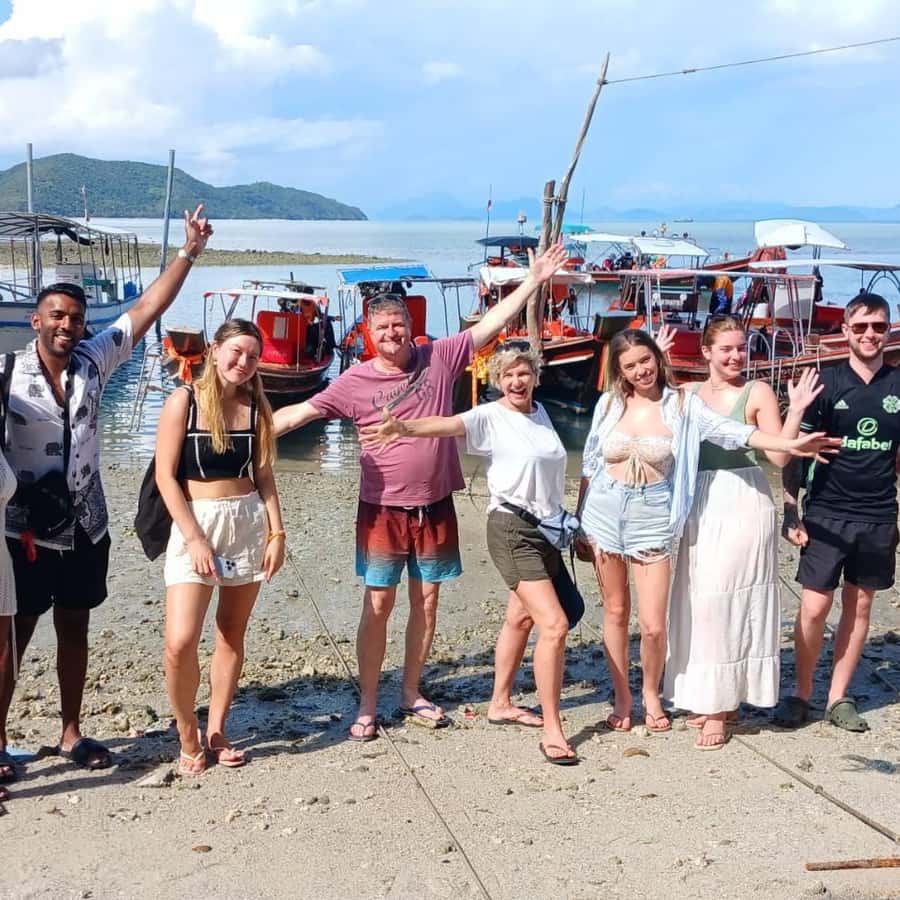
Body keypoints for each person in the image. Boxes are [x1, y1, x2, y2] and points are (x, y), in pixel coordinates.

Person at [274, 242, 568, 742]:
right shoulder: (353, 381)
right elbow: (298, 415)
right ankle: (368, 704)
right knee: (378, 605)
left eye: (398, 325)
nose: (392, 334)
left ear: (410, 326)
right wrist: (241, 435)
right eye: (381, 328)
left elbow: (491, 324)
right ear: (368, 334)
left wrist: (533, 280)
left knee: (427, 603)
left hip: (435, 504)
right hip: (382, 508)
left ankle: (411, 692)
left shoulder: (440, 357)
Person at [0, 205, 212, 773]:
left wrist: (188, 253)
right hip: (23, 531)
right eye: (57, 316)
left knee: (75, 626)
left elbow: (146, 308)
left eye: (76, 318)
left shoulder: (94, 361)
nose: (68, 325)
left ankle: (70, 732)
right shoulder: (8, 374)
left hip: (86, 524)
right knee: (13, 636)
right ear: (36, 321)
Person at [574, 329, 836, 735]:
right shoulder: (608, 404)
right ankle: (623, 699)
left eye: (646, 360)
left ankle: (651, 695)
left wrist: (790, 444)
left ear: (657, 358)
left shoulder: (681, 404)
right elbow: (590, 462)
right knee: (614, 612)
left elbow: (731, 431)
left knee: (653, 624)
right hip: (603, 516)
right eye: (630, 366)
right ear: (619, 371)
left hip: (653, 519)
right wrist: (578, 519)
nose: (641, 370)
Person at [361, 344, 577, 764]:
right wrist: (402, 428)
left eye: (523, 373)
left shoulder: (541, 413)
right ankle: (553, 729)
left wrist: (571, 525)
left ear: (535, 376)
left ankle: (500, 703)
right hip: (511, 529)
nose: (516, 381)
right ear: (497, 380)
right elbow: (446, 425)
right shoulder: (490, 416)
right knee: (554, 624)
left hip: (547, 530)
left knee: (521, 618)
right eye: (507, 375)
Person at [663, 317, 823, 749]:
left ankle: (718, 709)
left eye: (741, 348)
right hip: (699, 501)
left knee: (728, 600)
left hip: (742, 500)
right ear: (706, 352)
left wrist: (797, 410)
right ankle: (719, 696)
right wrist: (658, 357)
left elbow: (779, 456)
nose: (736, 356)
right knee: (700, 600)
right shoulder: (688, 393)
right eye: (727, 349)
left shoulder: (757, 391)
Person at [156, 319, 284, 775]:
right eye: (236, 352)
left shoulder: (256, 408)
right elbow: (165, 476)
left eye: (252, 356)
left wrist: (277, 533)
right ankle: (187, 730)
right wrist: (194, 538)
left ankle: (217, 728)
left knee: (231, 631)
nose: (243, 362)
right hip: (197, 522)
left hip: (246, 521)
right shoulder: (184, 401)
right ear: (214, 350)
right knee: (179, 642)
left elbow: (264, 475)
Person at [777, 292, 900, 732]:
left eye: (878, 326)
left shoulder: (897, 385)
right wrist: (790, 511)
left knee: (859, 605)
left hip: (879, 515)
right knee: (813, 607)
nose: (870, 334)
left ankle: (837, 697)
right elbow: (794, 455)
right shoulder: (825, 384)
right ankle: (801, 692)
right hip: (826, 512)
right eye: (861, 326)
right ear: (845, 331)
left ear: (889, 330)